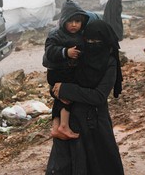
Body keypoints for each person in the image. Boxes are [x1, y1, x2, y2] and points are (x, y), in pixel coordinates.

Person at [46, 20, 124, 175]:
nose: (92, 44)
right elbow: (57, 83)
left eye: (96, 41)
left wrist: (67, 90)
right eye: (88, 40)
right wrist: (58, 91)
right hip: (72, 122)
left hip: (96, 123)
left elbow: (99, 96)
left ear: (105, 41)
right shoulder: (78, 55)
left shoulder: (110, 62)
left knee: (101, 166)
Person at [43, 0, 89, 140]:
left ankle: (56, 127)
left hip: (66, 71)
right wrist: (65, 52)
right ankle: (64, 126)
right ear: (63, 21)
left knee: (60, 99)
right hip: (59, 73)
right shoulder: (56, 34)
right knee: (66, 97)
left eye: (77, 21)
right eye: (70, 21)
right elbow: (50, 51)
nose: (74, 25)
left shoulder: (80, 35)